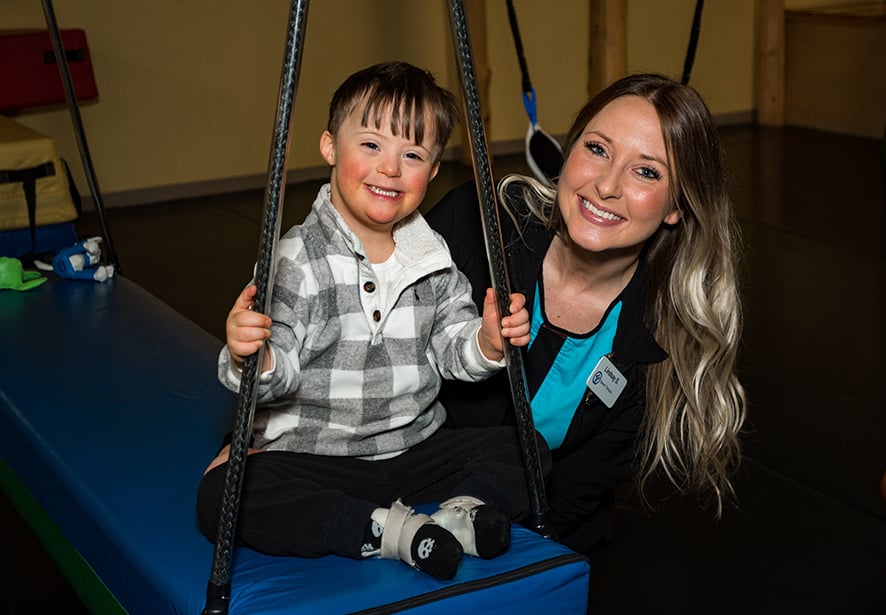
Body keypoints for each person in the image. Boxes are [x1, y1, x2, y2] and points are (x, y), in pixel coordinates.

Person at [196, 61, 540, 581]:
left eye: (413, 155)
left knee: (526, 446)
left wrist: (488, 342)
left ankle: (463, 513)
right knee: (223, 493)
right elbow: (278, 369)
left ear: (433, 172)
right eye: (372, 145)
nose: (391, 169)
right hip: (319, 455)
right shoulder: (297, 258)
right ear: (331, 147)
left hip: (416, 446)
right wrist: (257, 354)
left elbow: (453, 349)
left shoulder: (432, 255)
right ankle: (382, 531)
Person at [426, 72, 747, 560]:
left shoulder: (656, 346)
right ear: (569, 152)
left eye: (647, 172)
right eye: (597, 149)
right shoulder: (476, 224)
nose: (606, 185)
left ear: (675, 207)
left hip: (515, 544)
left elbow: (567, 505)